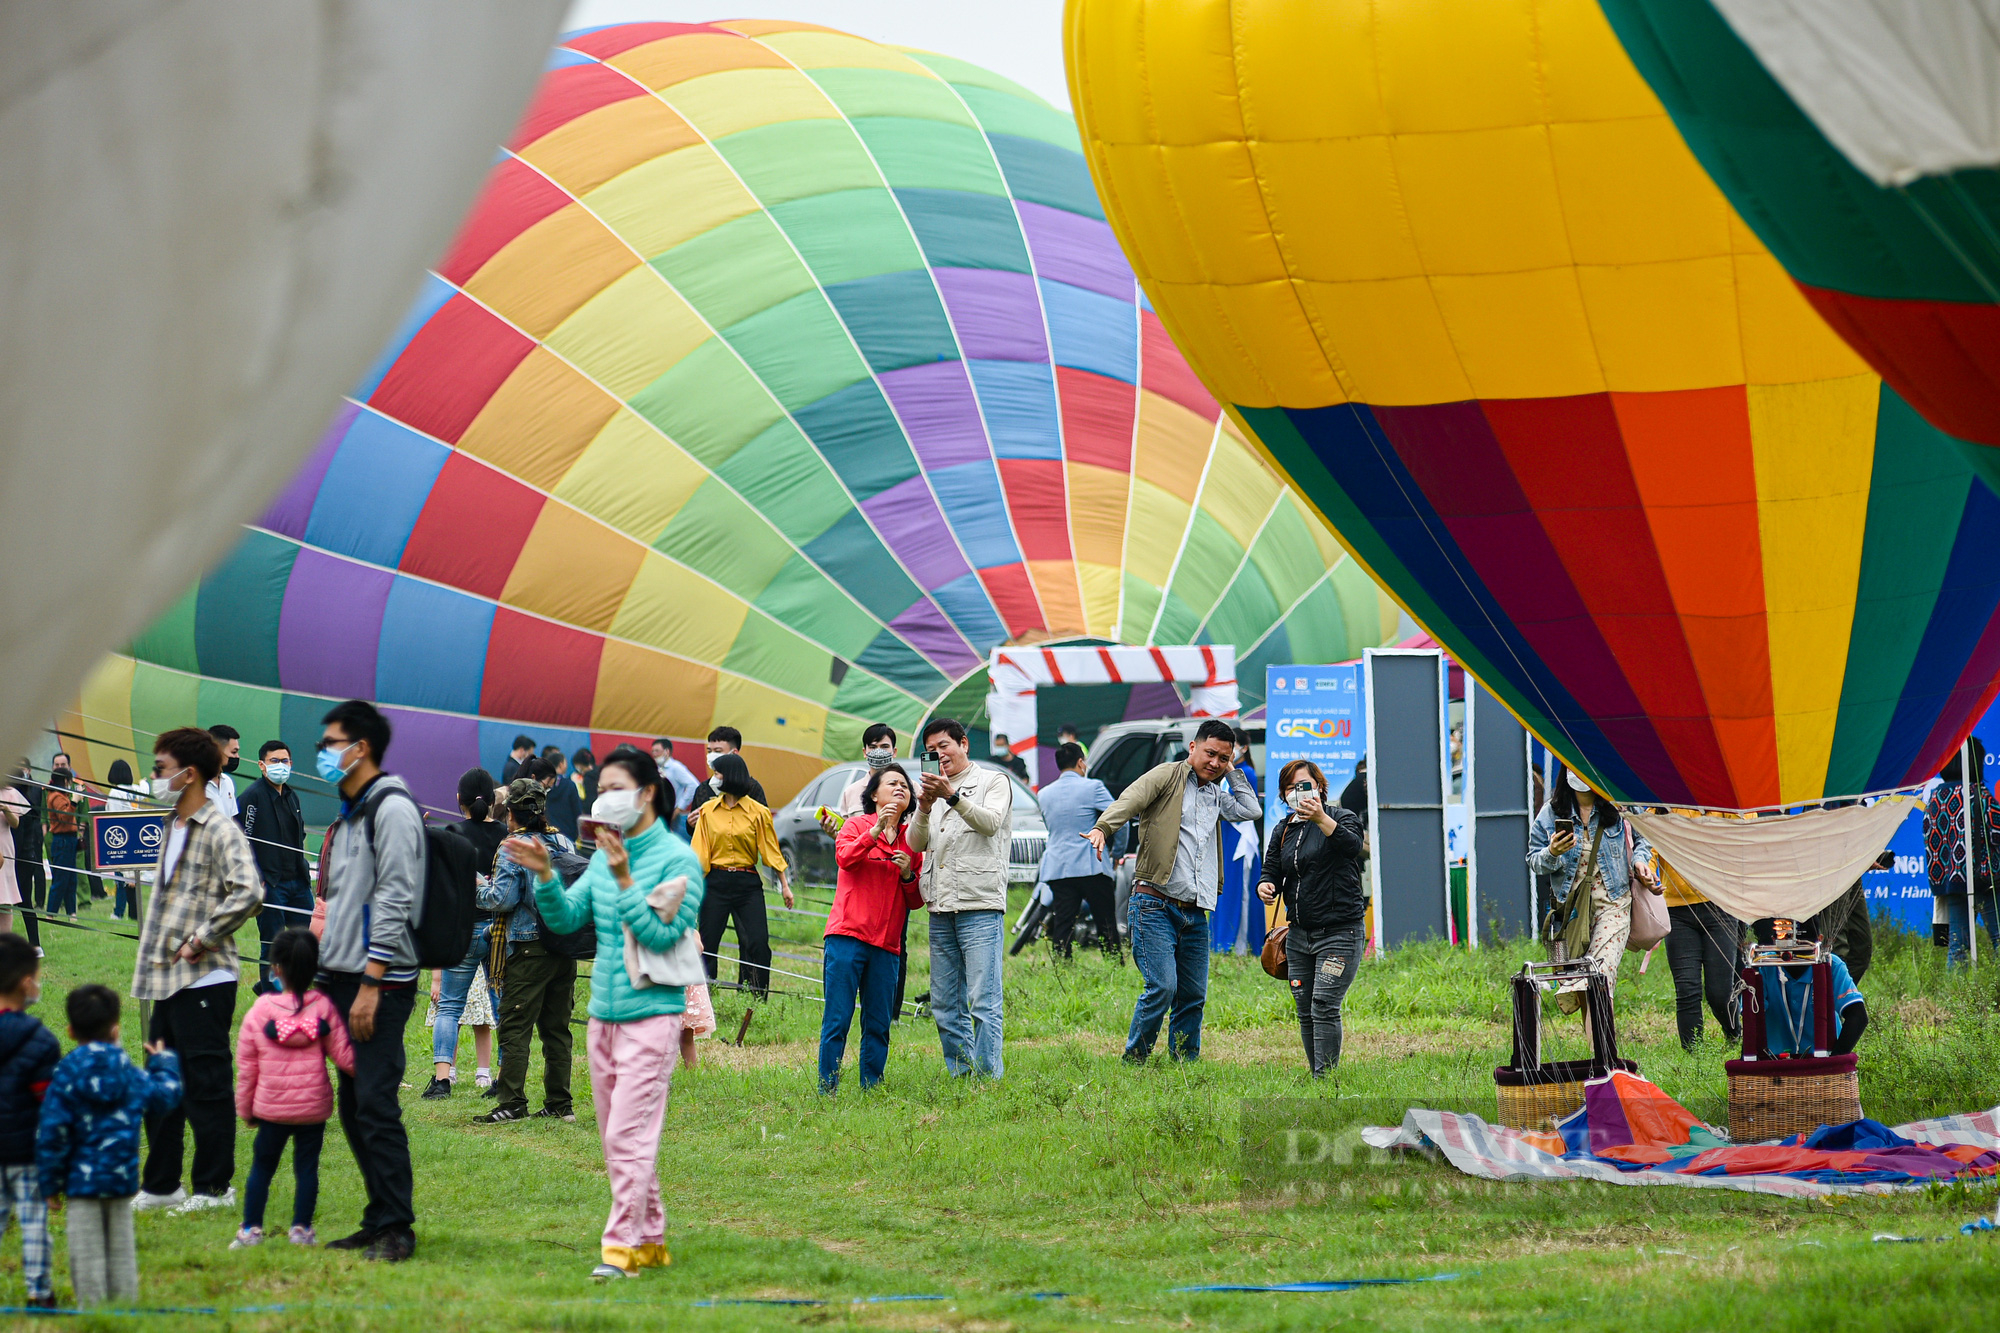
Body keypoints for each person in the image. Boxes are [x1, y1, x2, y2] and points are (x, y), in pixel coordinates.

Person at [516, 745, 702, 1282]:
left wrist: (625, 879)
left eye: (615, 788)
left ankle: (619, 1249)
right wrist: (546, 877)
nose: (603, 799)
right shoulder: (602, 855)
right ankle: (651, 1239)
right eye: (599, 790)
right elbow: (570, 919)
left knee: (627, 1135)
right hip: (603, 1016)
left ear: (645, 793)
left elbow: (662, 935)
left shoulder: (677, 860)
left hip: (653, 1015)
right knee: (622, 1136)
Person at [131, 727, 261, 1217]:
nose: (155, 776)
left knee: (205, 1084)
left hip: (205, 978)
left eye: (161, 768)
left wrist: (202, 937)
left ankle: (213, 1186)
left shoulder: (220, 828)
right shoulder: (170, 825)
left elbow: (248, 891)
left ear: (189, 774)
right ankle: (162, 1184)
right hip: (166, 980)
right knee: (162, 1083)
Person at [313, 699, 423, 1262]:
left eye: (331, 742)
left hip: (378, 980)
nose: (323, 751)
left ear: (360, 748)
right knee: (355, 1103)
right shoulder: (353, 809)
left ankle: (397, 1227)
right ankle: (377, 1215)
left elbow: (396, 896)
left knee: (376, 1101)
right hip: (341, 975)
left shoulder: (392, 807)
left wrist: (373, 981)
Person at [1086, 719, 1260, 1064]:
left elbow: (1250, 810)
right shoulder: (1167, 775)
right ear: (1193, 747)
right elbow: (1131, 799)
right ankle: (1134, 1060)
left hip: (1194, 909)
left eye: (1223, 758)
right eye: (1211, 753)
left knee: (1193, 994)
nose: (1215, 763)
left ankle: (1184, 1064)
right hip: (1154, 903)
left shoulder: (1216, 793)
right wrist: (1103, 827)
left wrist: (1234, 770)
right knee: (1163, 987)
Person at [36, 985, 182, 1307]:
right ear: (116, 1029)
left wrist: (50, 1184)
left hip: (79, 1184)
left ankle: (93, 1311)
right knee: (121, 1248)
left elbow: (52, 1131)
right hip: (120, 1180)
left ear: (71, 1031)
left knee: (84, 1251)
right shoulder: (128, 1070)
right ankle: (123, 1309)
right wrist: (165, 1063)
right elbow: (165, 1096)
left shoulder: (65, 1073)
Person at [231, 926, 355, 1249]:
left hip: (272, 1109)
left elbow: (247, 1068)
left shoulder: (260, 1012)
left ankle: (251, 1231)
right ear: (315, 969)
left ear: (276, 969)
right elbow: (345, 1056)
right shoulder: (324, 1009)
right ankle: (301, 1230)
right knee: (307, 1169)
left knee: (262, 1167)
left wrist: (246, 1109)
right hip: (312, 1109)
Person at [909, 718, 1013, 1078]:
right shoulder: (931, 793)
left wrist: (950, 796)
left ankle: (988, 1078)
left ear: (963, 744)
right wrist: (923, 806)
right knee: (944, 1003)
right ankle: (962, 1074)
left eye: (944, 746)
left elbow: (991, 823)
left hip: (979, 903)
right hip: (940, 905)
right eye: (931, 750)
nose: (939, 755)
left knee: (983, 1000)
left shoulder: (992, 781)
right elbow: (914, 844)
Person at [476, 778, 580, 1124]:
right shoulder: (562, 840)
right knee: (556, 1028)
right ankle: (559, 1103)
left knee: (515, 1025)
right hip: (563, 944)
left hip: (528, 945)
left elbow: (502, 899)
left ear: (511, 812)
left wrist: (475, 888)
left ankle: (512, 1102)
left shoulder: (514, 845)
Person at [1256, 761, 1366, 1076]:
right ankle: (1317, 1072)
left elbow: (1352, 847)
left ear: (1319, 786)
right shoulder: (1283, 829)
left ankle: (1325, 1078)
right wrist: (1267, 885)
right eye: (1290, 788)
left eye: (1303, 785)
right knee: (1305, 1009)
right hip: (1298, 935)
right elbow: (1272, 869)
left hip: (1339, 933)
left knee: (1323, 1004)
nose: (1297, 793)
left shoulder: (1341, 817)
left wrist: (1320, 819)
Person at [821, 766, 925, 1092]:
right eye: (892, 783)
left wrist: (908, 874)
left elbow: (916, 901)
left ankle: (872, 1087)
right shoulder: (855, 825)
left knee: (878, 1023)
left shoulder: (913, 841)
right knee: (837, 1018)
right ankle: (828, 1088)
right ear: (874, 795)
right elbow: (845, 858)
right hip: (847, 936)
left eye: (904, 786)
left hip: (887, 944)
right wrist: (875, 830)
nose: (899, 788)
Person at [1527, 767, 1657, 1023]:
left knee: (1600, 975)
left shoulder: (1619, 807)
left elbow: (1646, 837)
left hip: (1614, 904)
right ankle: (1599, 1052)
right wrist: (1552, 852)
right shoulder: (1551, 812)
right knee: (1584, 985)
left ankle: (1605, 1052)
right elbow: (1534, 860)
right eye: (1574, 767)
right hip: (1572, 913)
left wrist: (1640, 862)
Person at [424, 769, 505, 1100]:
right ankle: (503, 1078)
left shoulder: (452, 833)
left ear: (459, 800)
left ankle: (442, 1080)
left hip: (463, 930)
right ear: (493, 800)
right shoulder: (505, 833)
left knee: (450, 1006)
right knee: (503, 1007)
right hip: (499, 930)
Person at [692, 754, 791, 997]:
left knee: (758, 943)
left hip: (747, 884)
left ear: (731, 776)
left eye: (718, 774)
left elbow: (770, 850)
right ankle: (703, 1000)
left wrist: (785, 886)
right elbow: (699, 853)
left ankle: (757, 999)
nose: (713, 779)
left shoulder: (758, 812)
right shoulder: (707, 811)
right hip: (715, 882)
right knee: (706, 943)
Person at [0, 934, 59, 1308]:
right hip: (25, 1152)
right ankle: (39, 1291)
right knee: (34, 1222)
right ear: (26, 982)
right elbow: (48, 1106)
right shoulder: (40, 1041)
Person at [1036, 743, 1121, 962]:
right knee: (1106, 921)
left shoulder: (1044, 794)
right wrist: (1116, 853)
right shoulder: (1093, 787)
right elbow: (1121, 819)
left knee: (1063, 922)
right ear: (1081, 762)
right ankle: (1114, 966)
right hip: (1091, 863)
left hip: (1058, 866)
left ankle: (1061, 968)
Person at [238, 742, 310, 993]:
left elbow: (299, 834)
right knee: (273, 945)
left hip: (298, 883)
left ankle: (287, 988)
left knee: (309, 939)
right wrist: (257, 878)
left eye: (285, 761)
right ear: (261, 765)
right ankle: (271, 996)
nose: (281, 766)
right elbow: (241, 841)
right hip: (271, 884)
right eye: (274, 761)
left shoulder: (292, 796)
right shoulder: (251, 798)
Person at [1924, 740, 2000, 967]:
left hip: (1954, 883)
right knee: (1998, 939)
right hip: (1986, 880)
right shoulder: (1978, 793)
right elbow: (1996, 831)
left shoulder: (1936, 797)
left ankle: (1953, 999)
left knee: (1958, 947)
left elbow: (1930, 837)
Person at [1748, 918, 1868, 1056]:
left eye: (1802, 947)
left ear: (1820, 941)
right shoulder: (1762, 967)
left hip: (1821, 1057)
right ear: (1774, 941)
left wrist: (1835, 1061)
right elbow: (1751, 1019)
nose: (1794, 954)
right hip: (1774, 1061)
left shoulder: (1831, 965)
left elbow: (1858, 1016)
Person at [1658, 854, 1742, 1049]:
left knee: (1720, 992)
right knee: (1687, 988)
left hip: (1721, 903)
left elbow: (1743, 830)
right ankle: (1692, 1054)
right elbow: (1651, 842)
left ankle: (1733, 1034)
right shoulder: (1666, 820)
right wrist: (1645, 870)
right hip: (1676, 909)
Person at [100, 760, 150, 923]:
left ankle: (119, 912)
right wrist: (143, 782)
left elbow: (113, 817)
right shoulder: (136, 790)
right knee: (132, 878)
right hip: (137, 836)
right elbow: (145, 789)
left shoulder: (116, 792)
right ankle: (135, 913)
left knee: (121, 877)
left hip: (122, 838)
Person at [826, 724, 899, 827]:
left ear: (894, 752)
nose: (878, 752)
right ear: (865, 752)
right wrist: (834, 834)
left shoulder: (910, 789)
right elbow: (846, 836)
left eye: (884, 747)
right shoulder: (851, 792)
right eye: (873, 747)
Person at [689, 727, 766, 814]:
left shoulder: (752, 788)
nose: (712, 756)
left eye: (718, 751)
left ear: (734, 753)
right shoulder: (702, 789)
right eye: (710, 751)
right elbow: (695, 824)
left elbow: (764, 822)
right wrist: (690, 823)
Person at [44, 759, 82, 923]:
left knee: (71, 878)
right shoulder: (56, 797)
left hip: (70, 840)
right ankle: (50, 913)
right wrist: (74, 801)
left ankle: (71, 912)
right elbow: (65, 817)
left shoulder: (61, 795)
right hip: (63, 841)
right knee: (61, 879)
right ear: (65, 781)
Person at [12, 767, 44, 918]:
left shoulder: (19, 806)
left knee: (20, 903)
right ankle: (34, 941)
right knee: (26, 905)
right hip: (26, 858)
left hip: (18, 859)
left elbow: (18, 838)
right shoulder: (26, 803)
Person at [650, 740, 698, 836]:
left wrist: (679, 808)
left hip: (673, 816)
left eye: (657, 751)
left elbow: (693, 785)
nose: (654, 754)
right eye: (653, 751)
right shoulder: (657, 768)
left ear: (667, 751)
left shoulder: (676, 767)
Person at [542, 746, 583, 841]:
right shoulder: (570, 785)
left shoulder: (541, 785)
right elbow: (577, 811)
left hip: (547, 835)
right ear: (561, 764)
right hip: (567, 835)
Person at [205, 724, 242, 819]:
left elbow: (232, 819)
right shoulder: (195, 784)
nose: (237, 757)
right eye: (234, 752)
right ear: (216, 750)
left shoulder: (228, 782)